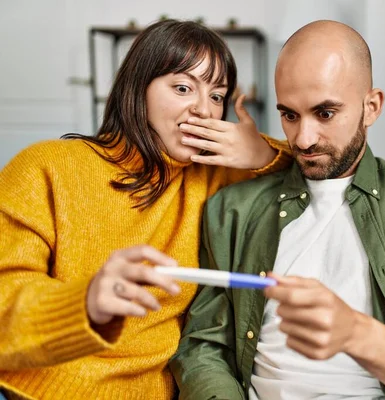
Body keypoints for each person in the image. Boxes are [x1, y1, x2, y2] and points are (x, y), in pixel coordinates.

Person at [171, 20, 385, 399]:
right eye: (289, 115)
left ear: (370, 107)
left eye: (324, 114)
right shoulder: (232, 210)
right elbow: (204, 348)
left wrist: (355, 332)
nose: (303, 140)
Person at [0, 19, 291, 400]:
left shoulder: (217, 176)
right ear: (139, 89)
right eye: (183, 88)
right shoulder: (45, 167)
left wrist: (264, 154)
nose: (205, 110)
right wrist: (85, 301)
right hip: (32, 389)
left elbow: (322, 164)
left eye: (217, 96)